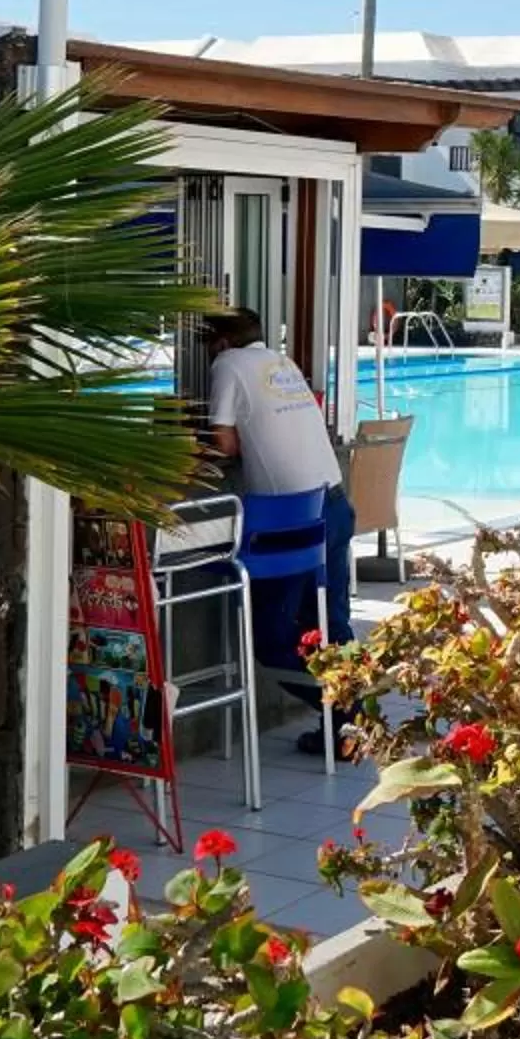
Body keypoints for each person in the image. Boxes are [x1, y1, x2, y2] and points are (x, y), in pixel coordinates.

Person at [206, 307, 355, 758]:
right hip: (333, 504)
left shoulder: (227, 364)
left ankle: (344, 713)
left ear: (221, 342)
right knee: (330, 623)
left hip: (287, 520)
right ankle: (352, 722)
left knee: (271, 638)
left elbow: (224, 443)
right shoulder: (283, 363)